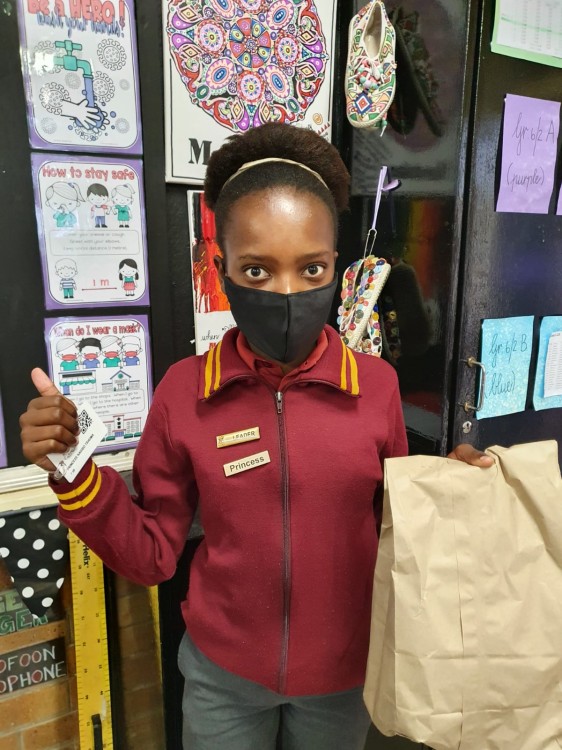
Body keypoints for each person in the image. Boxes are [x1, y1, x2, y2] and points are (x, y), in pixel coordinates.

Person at [19, 123, 493, 750]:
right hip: (222, 680)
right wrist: (75, 475)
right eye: (257, 270)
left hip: (343, 677)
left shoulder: (375, 387)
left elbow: (396, 533)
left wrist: (452, 495)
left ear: (335, 264)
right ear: (222, 269)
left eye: (311, 268)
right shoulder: (185, 392)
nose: (287, 294)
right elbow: (152, 554)